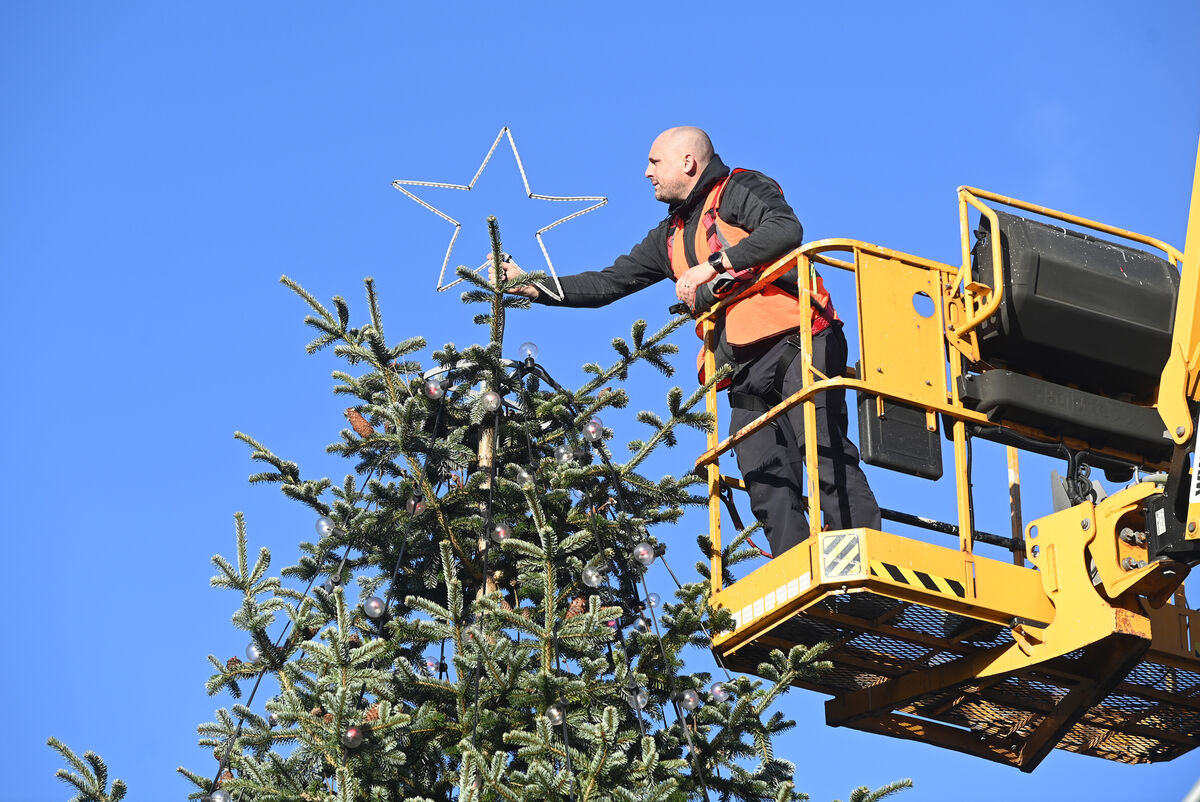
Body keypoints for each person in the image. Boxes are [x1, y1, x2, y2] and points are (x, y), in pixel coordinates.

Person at [493, 126, 879, 556]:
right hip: (743, 366)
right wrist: (531, 285)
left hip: (800, 337)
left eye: (655, 162)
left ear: (688, 163)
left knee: (821, 445)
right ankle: (797, 569)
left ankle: (860, 552)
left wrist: (715, 264)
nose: (646, 172)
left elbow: (786, 228)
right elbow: (610, 282)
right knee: (762, 470)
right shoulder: (671, 235)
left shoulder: (739, 189)